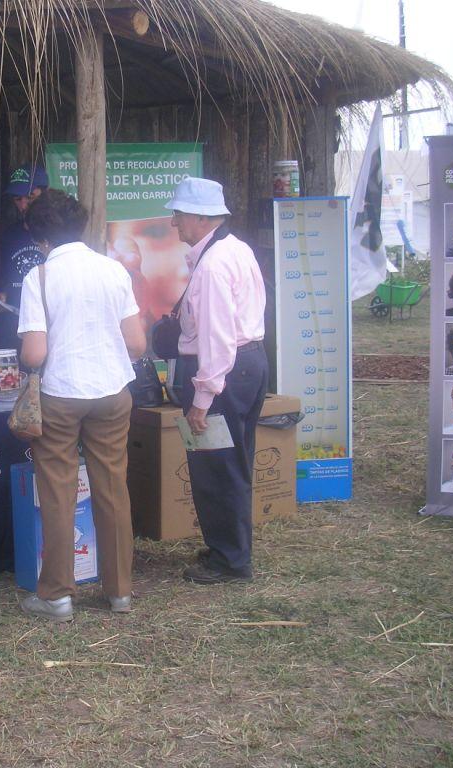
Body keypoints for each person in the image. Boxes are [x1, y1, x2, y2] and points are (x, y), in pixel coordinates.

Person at [16, 189, 146, 621]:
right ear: (80, 226)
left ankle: (57, 596)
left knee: (58, 493)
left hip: (59, 393)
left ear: (39, 237)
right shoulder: (114, 269)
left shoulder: (39, 278)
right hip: (111, 391)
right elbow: (136, 344)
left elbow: (34, 353)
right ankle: (120, 592)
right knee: (113, 488)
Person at [166, 177, 268, 584]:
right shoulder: (236, 249)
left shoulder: (211, 265)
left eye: (178, 214)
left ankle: (229, 560)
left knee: (216, 468)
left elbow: (217, 337)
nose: (174, 222)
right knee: (234, 463)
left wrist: (202, 398)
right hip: (248, 362)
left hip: (223, 370)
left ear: (200, 217)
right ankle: (231, 548)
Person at [0, 165, 48, 349]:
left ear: (45, 193)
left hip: (50, 324)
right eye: (18, 199)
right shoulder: (9, 235)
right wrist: (2, 296)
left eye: (30, 197)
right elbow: (7, 277)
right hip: (15, 324)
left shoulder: (58, 233)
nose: (23, 205)